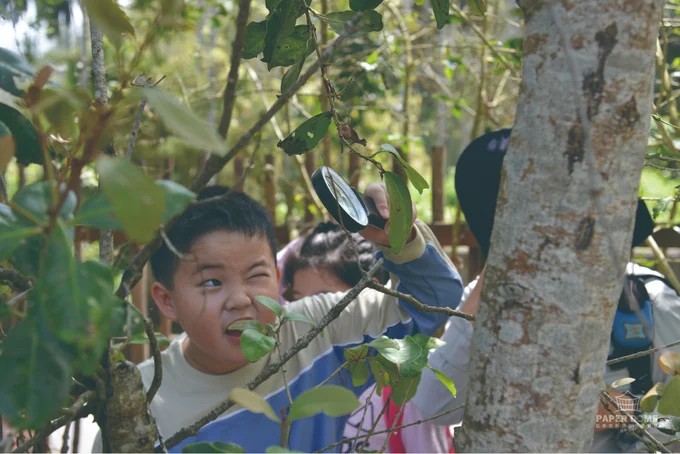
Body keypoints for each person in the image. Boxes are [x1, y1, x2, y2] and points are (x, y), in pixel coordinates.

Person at [109, 182, 463, 453]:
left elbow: (433, 299)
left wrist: (397, 236)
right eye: (212, 282)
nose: (240, 299)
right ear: (167, 300)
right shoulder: (138, 401)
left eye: (256, 275)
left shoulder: (319, 328)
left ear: (278, 279)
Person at [411, 129, 680, 452]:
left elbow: (673, 423)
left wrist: (627, 414)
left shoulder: (645, 298)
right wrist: (491, 282)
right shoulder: (487, 298)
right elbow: (433, 405)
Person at [282, 221, 454, 453]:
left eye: (323, 300)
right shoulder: (293, 380)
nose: (308, 317)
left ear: (370, 296)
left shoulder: (406, 388)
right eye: (297, 301)